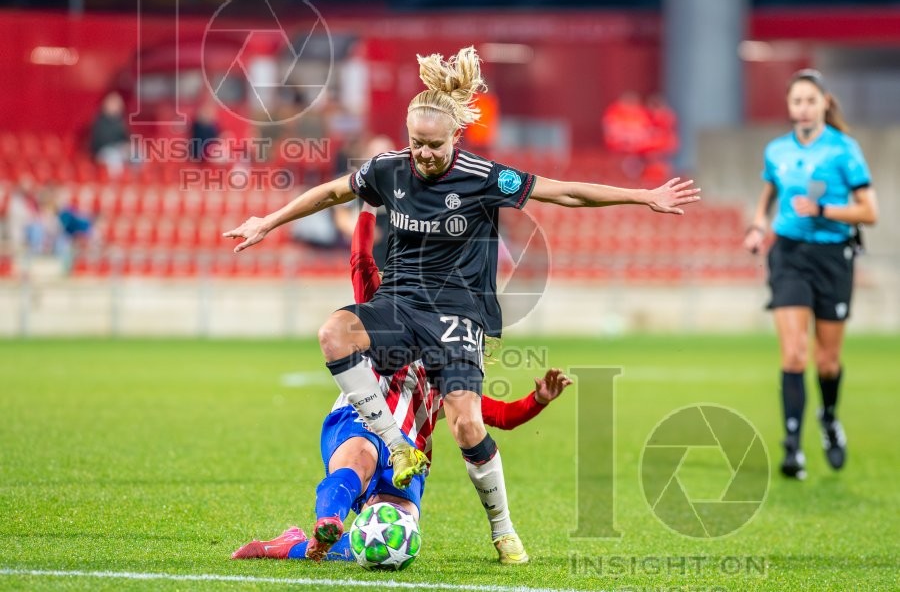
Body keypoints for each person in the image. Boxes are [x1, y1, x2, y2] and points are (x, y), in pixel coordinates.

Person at [223, 45, 700, 563]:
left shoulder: (483, 176)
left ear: (455, 136)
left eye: (433, 144)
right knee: (332, 334)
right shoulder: (390, 169)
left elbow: (563, 193)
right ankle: (395, 443)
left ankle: (503, 531)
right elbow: (333, 193)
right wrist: (266, 222)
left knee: (468, 424)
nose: (423, 154)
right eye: (416, 144)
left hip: (457, 314)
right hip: (400, 303)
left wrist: (643, 196)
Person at [231, 204, 571, 562]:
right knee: (360, 458)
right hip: (359, 423)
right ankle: (328, 518)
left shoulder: (454, 371)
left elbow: (497, 417)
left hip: (409, 459)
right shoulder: (388, 316)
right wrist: (367, 206)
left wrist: (539, 399)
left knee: (387, 542)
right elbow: (362, 260)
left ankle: (290, 546)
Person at [743, 69, 878, 480]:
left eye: (809, 100)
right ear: (789, 107)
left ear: (824, 103)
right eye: (796, 101)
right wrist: (757, 226)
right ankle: (791, 447)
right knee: (794, 354)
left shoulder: (844, 150)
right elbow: (768, 194)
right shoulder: (776, 150)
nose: (802, 108)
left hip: (834, 257)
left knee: (827, 361)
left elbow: (870, 212)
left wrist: (823, 211)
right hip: (789, 255)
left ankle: (830, 418)